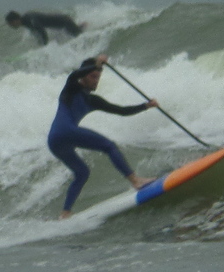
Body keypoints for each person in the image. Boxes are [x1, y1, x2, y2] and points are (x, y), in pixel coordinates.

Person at [48, 54, 158, 219]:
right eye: (92, 76)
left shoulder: (93, 101)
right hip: (65, 130)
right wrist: (97, 64)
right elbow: (74, 74)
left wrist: (145, 106)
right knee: (109, 146)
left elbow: (121, 111)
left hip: (55, 140)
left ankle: (65, 213)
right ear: (83, 77)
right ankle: (136, 180)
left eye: (98, 77)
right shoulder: (71, 88)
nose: (96, 81)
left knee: (82, 172)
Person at [6, 10, 85, 45]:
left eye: (10, 23)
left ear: (15, 20)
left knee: (80, 36)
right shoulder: (26, 22)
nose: (11, 26)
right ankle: (86, 25)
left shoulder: (30, 20)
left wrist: (45, 46)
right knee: (79, 32)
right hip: (63, 22)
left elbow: (42, 31)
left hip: (65, 22)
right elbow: (37, 34)